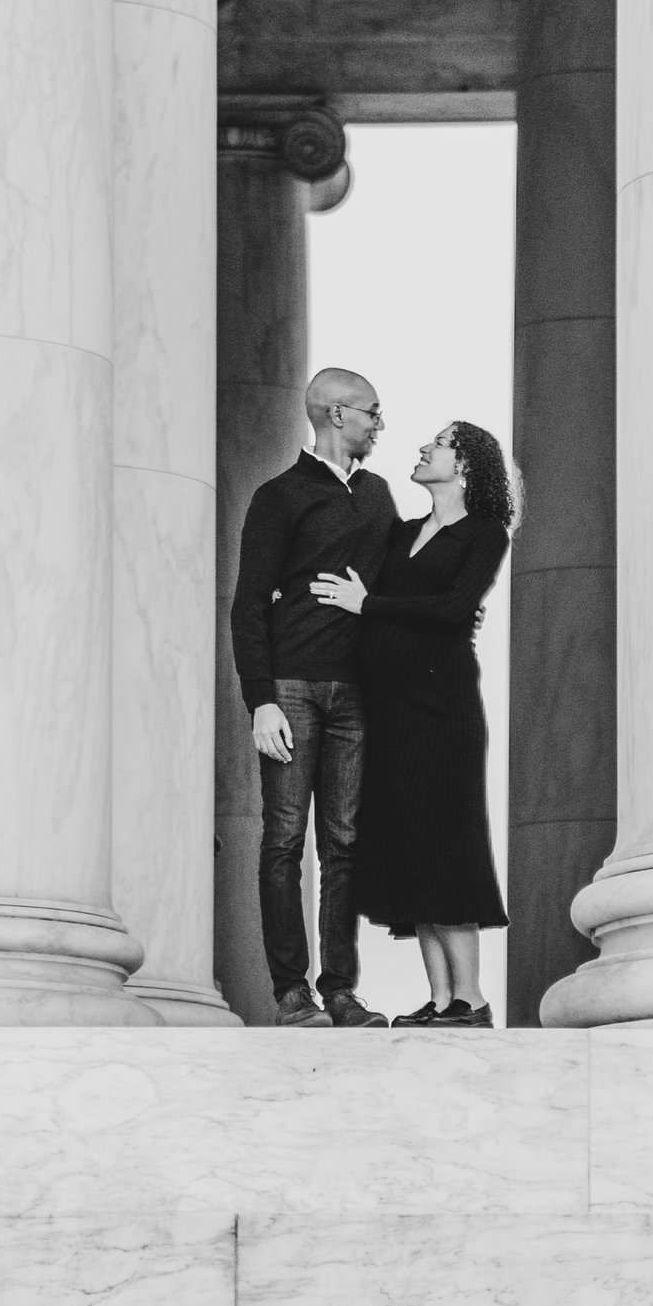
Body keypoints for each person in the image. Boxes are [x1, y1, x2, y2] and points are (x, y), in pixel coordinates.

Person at [311, 417, 516, 1026]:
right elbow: (377, 590)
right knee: (412, 848)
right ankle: (442, 998)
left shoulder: (485, 534)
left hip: (441, 711)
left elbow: (453, 609)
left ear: (467, 466)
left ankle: (472, 1000)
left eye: (441, 444)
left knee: (447, 843)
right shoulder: (400, 534)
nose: (425, 448)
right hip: (391, 712)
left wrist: (370, 606)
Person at [227, 364, 398, 1026]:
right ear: (335, 414)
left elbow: (399, 590)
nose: (379, 425)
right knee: (284, 839)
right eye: (371, 413)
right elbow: (248, 607)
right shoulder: (279, 497)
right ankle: (291, 993)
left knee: (345, 845)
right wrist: (261, 700)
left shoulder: (380, 496)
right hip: (292, 689)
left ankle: (341, 989)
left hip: (357, 694)